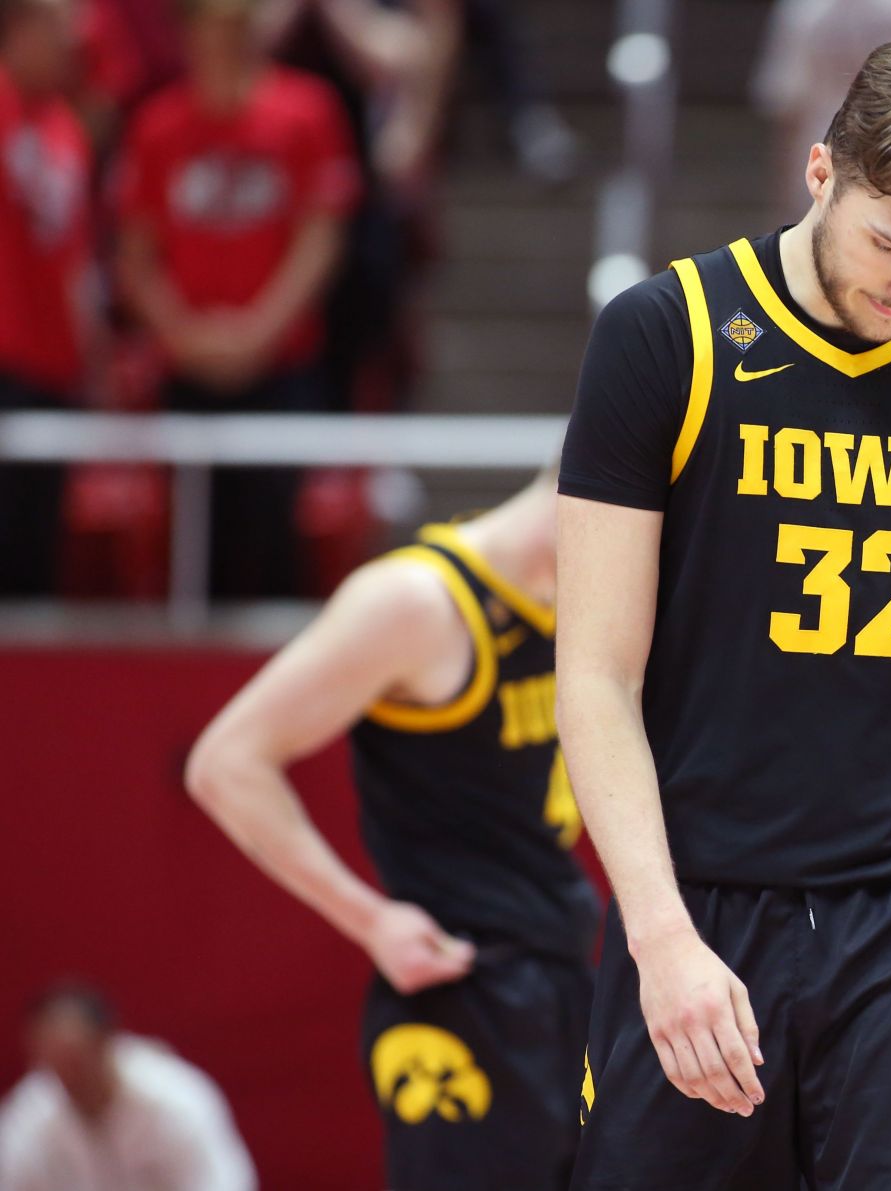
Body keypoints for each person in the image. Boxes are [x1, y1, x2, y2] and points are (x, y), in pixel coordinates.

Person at [557, 36, 891, 1191]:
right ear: (820, 172)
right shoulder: (666, 336)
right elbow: (596, 677)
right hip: (702, 907)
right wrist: (658, 941)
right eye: (890, 244)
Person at [185, 471, 596, 1191]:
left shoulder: (573, 601)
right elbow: (224, 762)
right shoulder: (415, 602)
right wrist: (369, 919)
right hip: (461, 981)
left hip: (566, 971)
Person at [114, 0, 360, 596]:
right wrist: (183, 335)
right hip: (185, 368)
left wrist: (257, 332)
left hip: (282, 367)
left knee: (274, 539)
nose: (220, 41)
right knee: (192, 550)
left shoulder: (307, 110)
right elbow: (134, 253)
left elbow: (321, 237)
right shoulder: (156, 124)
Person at [0, 0, 93, 596]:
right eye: (58, 30)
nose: (72, 44)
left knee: (34, 558)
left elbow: (74, 257)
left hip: (54, 370)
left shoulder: (67, 129)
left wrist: (95, 353)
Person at [0, 983, 255, 1191]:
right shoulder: (28, 1116)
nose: (67, 1075)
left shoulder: (175, 1097)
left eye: (75, 1060)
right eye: (53, 1060)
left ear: (105, 1042)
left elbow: (225, 1182)